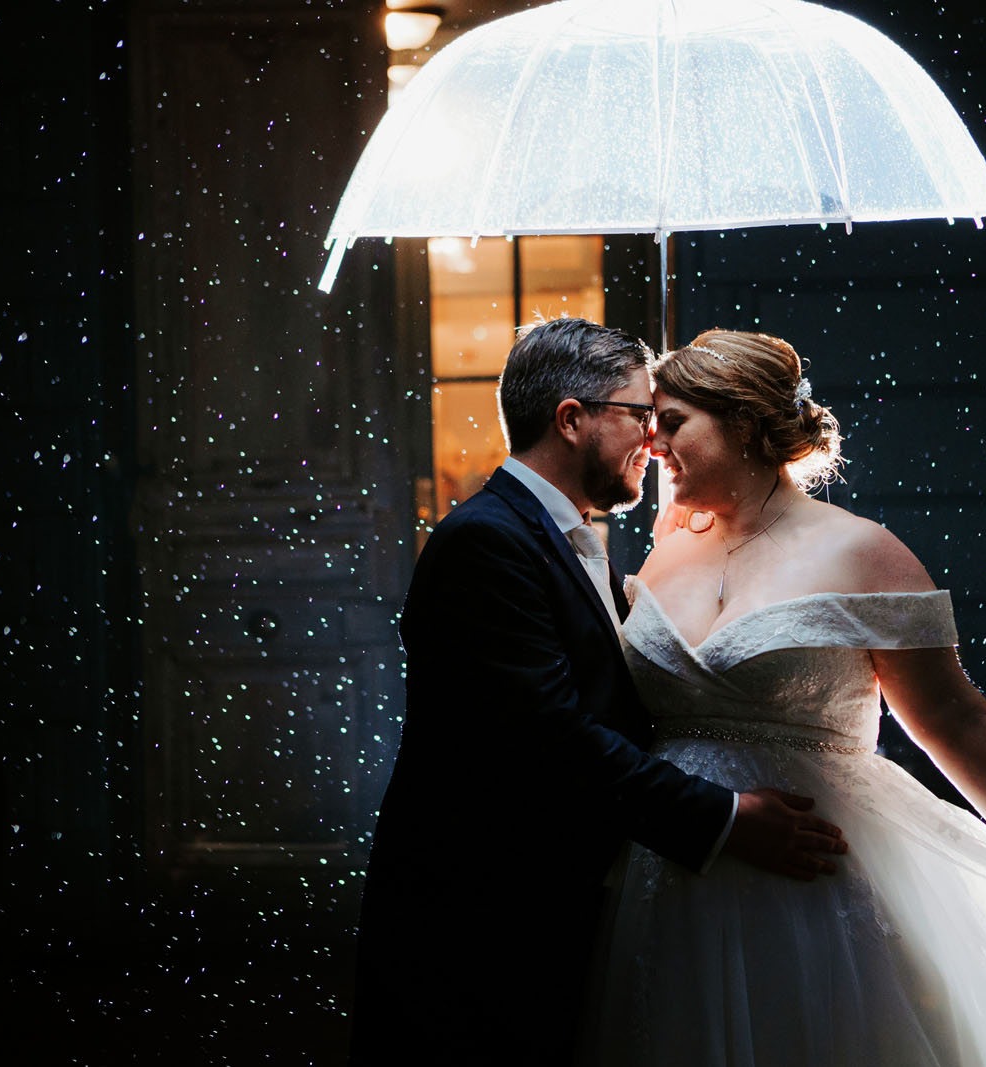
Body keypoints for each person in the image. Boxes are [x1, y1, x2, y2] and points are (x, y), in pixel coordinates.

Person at [585, 329, 986, 1065]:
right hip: (671, 880)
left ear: (746, 425)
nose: (651, 441)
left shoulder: (862, 552)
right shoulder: (665, 546)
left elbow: (955, 720)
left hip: (809, 894)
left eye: (674, 420)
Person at [347, 318, 849, 1065]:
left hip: (548, 920)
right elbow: (550, 739)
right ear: (572, 419)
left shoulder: (565, 539)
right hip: (477, 930)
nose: (654, 440)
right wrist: (723, 817)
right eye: (641, 416)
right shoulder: (486, 544)